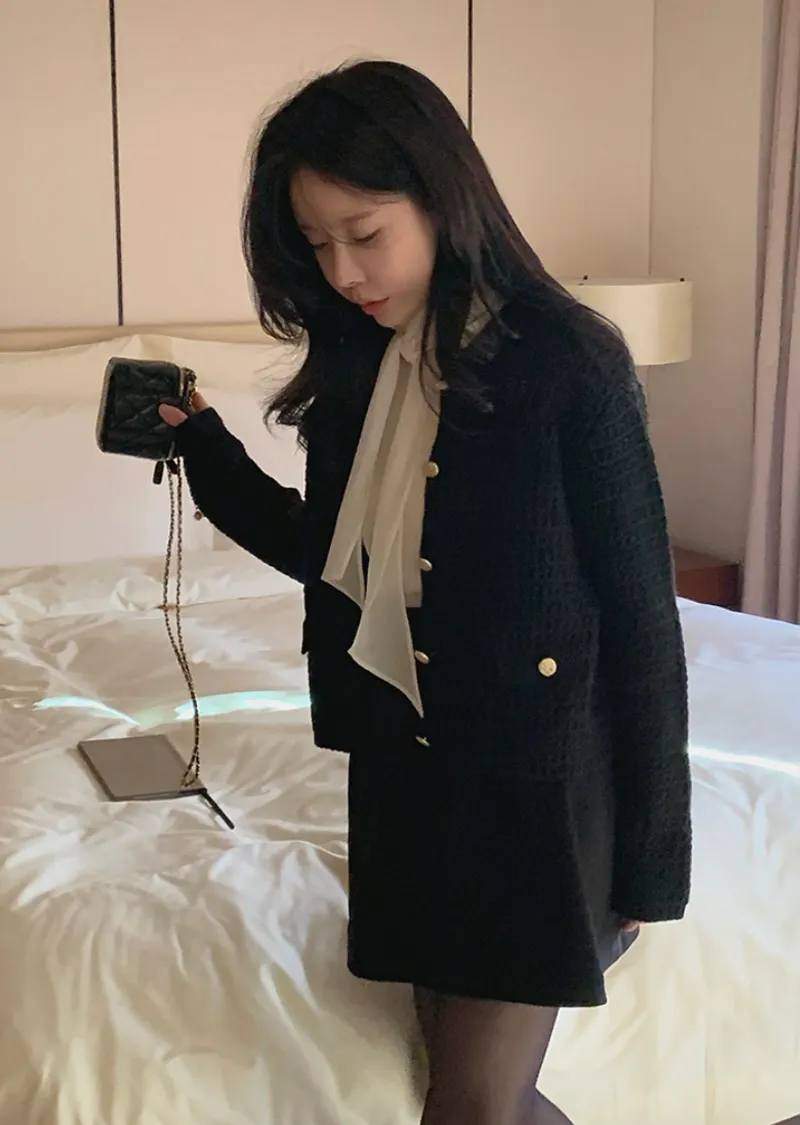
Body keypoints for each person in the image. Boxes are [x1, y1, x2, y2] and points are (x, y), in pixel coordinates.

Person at [159, 59, 691, 1125]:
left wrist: (651, 866)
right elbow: (338, 558)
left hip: (538, 804)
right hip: (408, 788)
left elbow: (642, 620)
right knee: (464, 1089)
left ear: (443, 198)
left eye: (364, 232)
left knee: (472, 1106)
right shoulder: (359, 367)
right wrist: (208, 454)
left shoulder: (570, 363)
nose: (343, 270)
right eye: (316, 243)